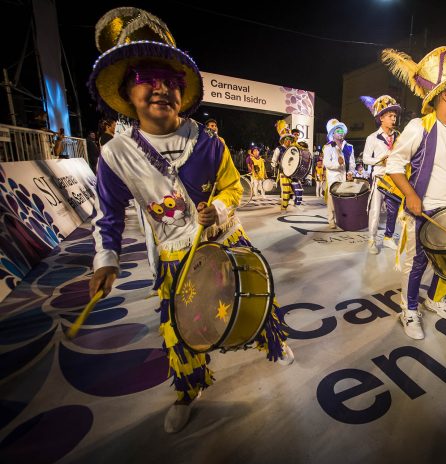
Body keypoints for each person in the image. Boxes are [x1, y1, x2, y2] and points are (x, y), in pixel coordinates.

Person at [87, 7, 292, 434]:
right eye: (147, 78)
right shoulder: (116, 155)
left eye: (172, 81)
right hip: (175, 254)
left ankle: (273, 339)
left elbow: (233, 189)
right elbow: (108, 216)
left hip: (227, 237)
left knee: (258, 296)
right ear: (127, 91)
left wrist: (217, 207)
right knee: (180, 330)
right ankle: (188, 389)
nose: (162, 89)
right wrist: (105, 260)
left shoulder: (209, 142)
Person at [382, 45, 446, 339]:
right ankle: (409, 310)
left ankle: (436, 299)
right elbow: (394, 164)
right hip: (423, 210)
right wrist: (410, 194)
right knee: (417, 263)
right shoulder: (418, 126)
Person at [360, 94, 402, 254]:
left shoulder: (399, 136)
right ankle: (371, 239)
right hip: (379, 179)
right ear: (381, 118)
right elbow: (365, 158)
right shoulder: (372, 138)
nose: (394, 119)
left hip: (395, 179)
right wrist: (380, 159)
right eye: (390, 116)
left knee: (393, 210)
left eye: (395, 116)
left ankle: (388, 238)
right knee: (375, 210)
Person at [322, 119, 355, 229]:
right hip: (333, 177)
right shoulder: (328, 147)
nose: (340, 133)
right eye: (337, 131)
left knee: (344, 199)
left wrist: (351, 172)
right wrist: (337, 163)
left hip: (345, 177)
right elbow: (326, 163)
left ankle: (342, 220)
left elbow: (352, 163)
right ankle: (331, 220)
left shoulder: (349, 147)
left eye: (341, 131)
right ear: (333, 134)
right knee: (332, 199)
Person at [271, 120, 301, 212]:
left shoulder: (293, 149)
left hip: (292, 173)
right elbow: (274, 161)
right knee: (286, 191)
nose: (289, 141)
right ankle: (284, 208)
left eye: (290, 139)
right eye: (287, 139)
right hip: (283, 173)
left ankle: (294, 203)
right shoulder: (279, 149)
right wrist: (276, 166)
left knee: (298, 190)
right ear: (284, 140)